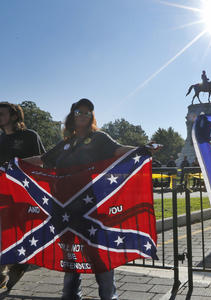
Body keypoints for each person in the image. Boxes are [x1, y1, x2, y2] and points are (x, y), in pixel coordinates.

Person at [23, 98, 145, 300]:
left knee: (97, 254)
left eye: (87, 112)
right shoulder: (65, 143)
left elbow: (118, 150)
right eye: (79, 111)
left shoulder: (99, 139)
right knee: (70, 254)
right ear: (72, 115)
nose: (83, 115)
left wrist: (142, 149)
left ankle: (108, 296)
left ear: (91, 117)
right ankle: (70, 296)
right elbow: (42, 161)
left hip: (89, 207)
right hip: (63, 207)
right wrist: (13, 164)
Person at [0, 102, 46, 291]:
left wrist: (15, 165)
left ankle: (19, 265)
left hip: (24, 194)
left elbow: (43, 161)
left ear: (13, 116)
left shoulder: (29, 136)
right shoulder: (0, 139)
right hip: (3, 195)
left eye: (1, 113)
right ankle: (3, 272)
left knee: (18, 234)